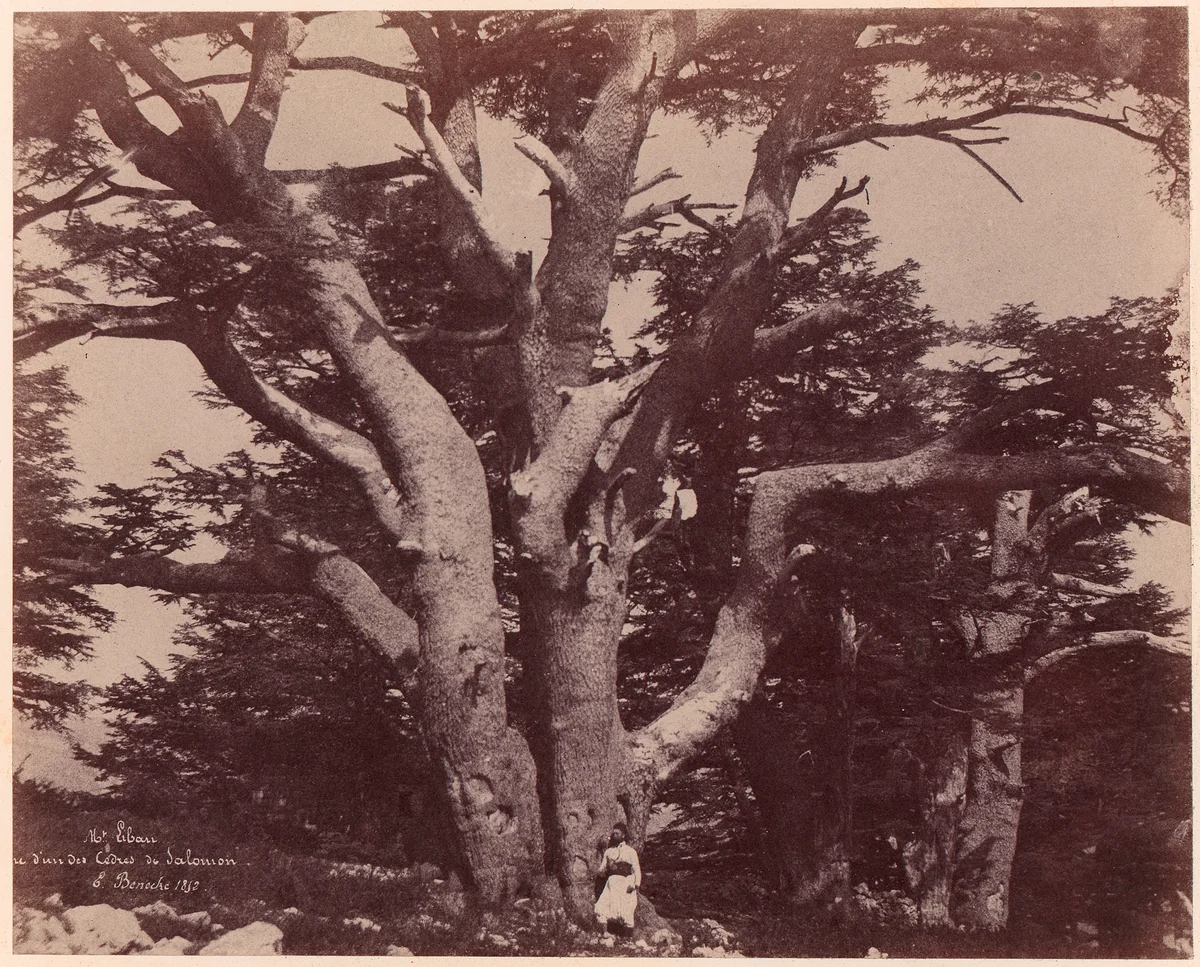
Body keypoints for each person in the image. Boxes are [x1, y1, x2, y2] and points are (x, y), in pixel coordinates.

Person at [594, 823, 641, 935]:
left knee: (627, 910)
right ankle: (605, 934)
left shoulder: (630, 851)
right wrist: (607, 868)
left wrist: (635, 884)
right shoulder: (609, 852)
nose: (614, 836)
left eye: (617, 833)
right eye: (613, 833)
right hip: (611, 883)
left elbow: (636, 869)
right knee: (602, 906)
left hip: (625, 883)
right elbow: (601, 870)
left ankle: (627, 939)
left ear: (623, 835)